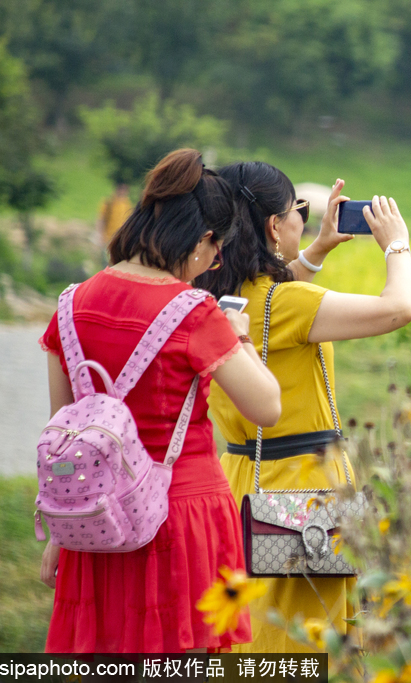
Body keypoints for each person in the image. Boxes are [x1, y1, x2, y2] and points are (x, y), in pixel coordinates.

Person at [38, 149, 283, 653]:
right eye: (216, 252)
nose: (214, 263)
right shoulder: (195, 313)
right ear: (204, 240)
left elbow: (66, 433)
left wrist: (62, 534)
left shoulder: (70, 304)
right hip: (181, 519)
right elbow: (266, 407)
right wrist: (237, 336)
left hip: (96, 517)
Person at [195, 161, 411, 652]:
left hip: (240, 481)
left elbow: (272, 302)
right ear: (274, 225)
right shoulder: (288, 303)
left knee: (253, 631)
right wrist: (396, 245)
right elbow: (398, 307)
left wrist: (316, 248)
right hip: (302, 493)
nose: (303, 217)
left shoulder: (213, 296)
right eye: (298, 209)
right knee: (305, 637)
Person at [97, 183, 132, 249]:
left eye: (124, 190)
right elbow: (101, 219)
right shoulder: (109, 202)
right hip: (107, 237)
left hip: (120, 237)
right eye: (121, 189)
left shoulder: (127, 204)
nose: (123, 192)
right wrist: (100, 234)